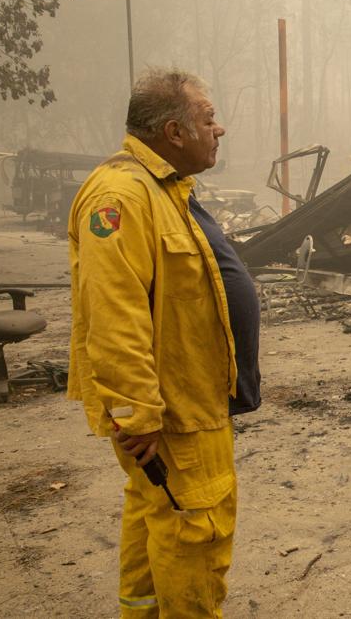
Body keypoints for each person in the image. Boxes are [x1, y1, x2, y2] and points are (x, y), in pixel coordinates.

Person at [67, 68, 261, 617]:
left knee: (158, 516)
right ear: (174, 132)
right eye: (208, 118)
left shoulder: (163, 189)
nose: (218, 129)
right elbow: (113, 313)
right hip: (172, 412)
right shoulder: (122, 197)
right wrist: (137, 411)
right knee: (196, 530)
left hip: (190, 396)